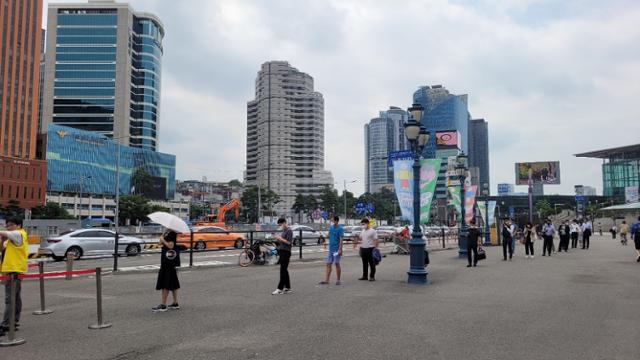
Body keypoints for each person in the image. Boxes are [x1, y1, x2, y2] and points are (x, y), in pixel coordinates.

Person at [0, 217, 28, 336]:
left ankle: (6, 324)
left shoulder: (18, 234)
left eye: (11, 225)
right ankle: (14, 321)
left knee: (10, 299)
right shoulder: (12, 238)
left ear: (18, 225)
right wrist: (2, 240)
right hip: (13, 270)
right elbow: (2, 249)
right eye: (7, 225)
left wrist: (4, 233)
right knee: (15, 297)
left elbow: (3, 232)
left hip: (13, 271)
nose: (8, 227)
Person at [152, 229, 181, 312]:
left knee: (165, 282)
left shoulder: (172, 233)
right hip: (169, 261)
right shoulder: (167, 232)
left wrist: (163, 240)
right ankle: (175, 303)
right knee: (173, 282)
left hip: (168, 262)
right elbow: (160, 244)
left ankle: (163, 305)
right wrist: (161, 238)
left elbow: (171, 246)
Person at [319, 216, 344, 285]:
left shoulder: (340, 229)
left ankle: (338, 280)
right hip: (331, 249)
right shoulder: (331, 227)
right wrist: (324, 236)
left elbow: (341, 240)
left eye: (333, 220)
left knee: (336, 263)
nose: (332, 222)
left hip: (336, 249)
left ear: (336, 221)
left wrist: (340, 249)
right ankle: (327, 280)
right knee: (328, 264)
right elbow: (329, 235)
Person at [272, 218, 293, 295]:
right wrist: (277, 238)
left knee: (283, 270)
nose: (280, 226)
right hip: (282, 251)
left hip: (286, 252)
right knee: (284, 270)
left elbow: (289, 242)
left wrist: (280, 238)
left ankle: (279, 288)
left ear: (284, 223)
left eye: (281, 225)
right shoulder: (284, 231)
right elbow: (282, 241)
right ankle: (287, 287)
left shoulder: (289, 231)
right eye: (279, 225)